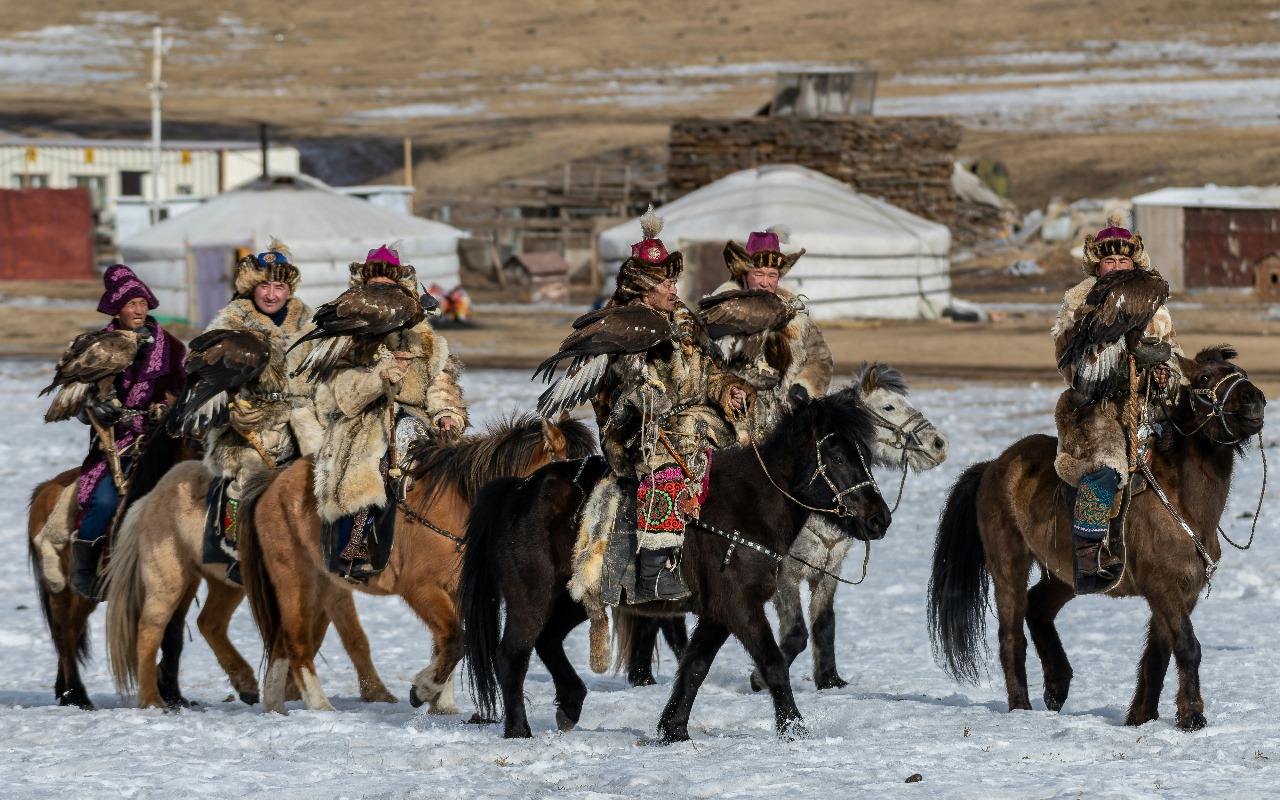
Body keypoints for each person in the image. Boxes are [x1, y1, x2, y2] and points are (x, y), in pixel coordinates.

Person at [583, 208, 752, 601]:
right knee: (667, 470)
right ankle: (652, 572)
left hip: (691, 419)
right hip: (636, 426)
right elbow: (622, 388)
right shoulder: (620, 326)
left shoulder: (686, 321)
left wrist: (729, 390)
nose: (675, 289)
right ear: (644, 291)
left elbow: (709, 372)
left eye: (675, 281)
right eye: (667, 283)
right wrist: (647, 397)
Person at [312, 245, 468, 583]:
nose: (383, 294)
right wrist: (380, 376)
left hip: (415, 421)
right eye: (375, 288)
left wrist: (447, 414)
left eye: (389, 287)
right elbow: (342, 395)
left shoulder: (425, 339)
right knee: (377, 460)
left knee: (463, 466)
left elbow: (440, 382)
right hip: (362, 423)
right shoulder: (347, 337)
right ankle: (357, 545)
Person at [1052, 210, 1182, 591]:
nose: (1117, 265)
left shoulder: (1153, 302)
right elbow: (1073, 365)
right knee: (1107, 466)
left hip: (1146, 402)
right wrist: (1120, 363)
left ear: (1134, 261)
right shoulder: (1078, 303)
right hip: (1095, 408)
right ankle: (1089, 555)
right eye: (1109, 259)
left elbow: (1173, 351)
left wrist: (1163, 372)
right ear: (1098, 265)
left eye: (1123, 259)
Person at [201, 240, 320, 582]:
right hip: (250, 423)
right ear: (250, 287)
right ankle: (239, 548)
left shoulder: (310, 323)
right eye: (263, 286)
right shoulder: (230, 324)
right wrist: (233, 411)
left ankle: (334, 543)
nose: (271, 294)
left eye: (279, 286)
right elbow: (206, 382)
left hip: (302, 415)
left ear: (289, 289)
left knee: (329, 469)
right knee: (250, 477)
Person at [72, 264, 186, 599]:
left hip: (160, 437)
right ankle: (84, 566)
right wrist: (93, 409)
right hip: (116, 442)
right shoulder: (98, 347)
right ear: (116, 308)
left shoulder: (174, 348)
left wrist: (169, 411)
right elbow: (79, 398)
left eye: (142, 303)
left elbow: (185, 393)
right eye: (130, 304)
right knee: (105, 499)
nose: (138, 310)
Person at [713, 227, 833, 443]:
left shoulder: (794, 312)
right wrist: (728, 391)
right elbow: (703, 362)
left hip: (786, 422)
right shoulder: (721, 310)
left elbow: (820, 357)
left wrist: (804, 388)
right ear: (744, 274)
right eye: (758, 273)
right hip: (735, 421)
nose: (765, 282)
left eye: (772, 275)